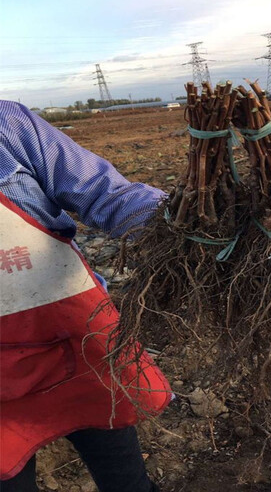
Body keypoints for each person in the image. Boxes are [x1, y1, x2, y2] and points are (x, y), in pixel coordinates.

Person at [0, 100, 172, 492]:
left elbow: (106, 195)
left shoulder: (6, 125)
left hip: (79, 345)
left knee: (126, 482)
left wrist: (185, 229)